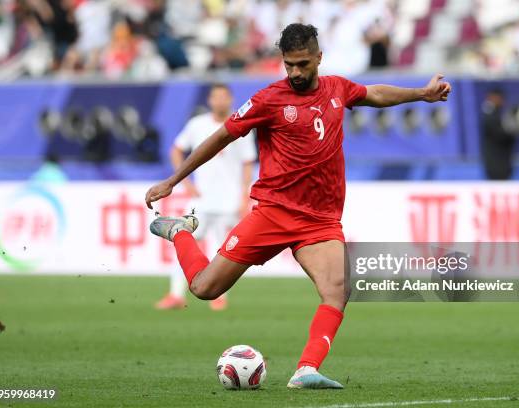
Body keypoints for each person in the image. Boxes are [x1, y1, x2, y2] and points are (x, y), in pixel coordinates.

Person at [145, 23, 450, 389]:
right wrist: (172, 180)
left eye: (303, 64)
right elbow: (221, 136)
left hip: (320, 220)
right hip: (273, 213)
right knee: (205, 288)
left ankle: (306, 369)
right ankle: (179, 232)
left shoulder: (338, 88)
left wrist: (421, 93)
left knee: (337, 290)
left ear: (319, 58)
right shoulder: (268, 99)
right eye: (289, 64)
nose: (295, 72)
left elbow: (374, 93)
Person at [155, 83, 256, 311]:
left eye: (223, 97)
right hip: (201, 200)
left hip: (228, 200)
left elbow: (248, 163)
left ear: (230, 99)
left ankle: (219, 296)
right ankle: (175, 294)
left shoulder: (243, 125)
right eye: (215, 97)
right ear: (210, 100)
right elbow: (176, 150)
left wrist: (244, 196)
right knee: (183, 240)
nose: (219, 101)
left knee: (224, 252)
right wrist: (186, 184)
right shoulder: (197, 124)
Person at [480, 88, 516, 180]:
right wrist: (513, 131)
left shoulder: (497, 113)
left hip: (503, 161)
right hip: (495, 162)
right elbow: (499, 134)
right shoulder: (489, 114)